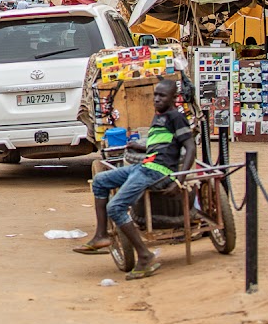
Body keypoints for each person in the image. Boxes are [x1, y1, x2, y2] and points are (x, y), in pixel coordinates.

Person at [74, 80, 196, 280]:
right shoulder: (159, 118)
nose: (157, 99)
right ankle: (101, 235)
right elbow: (161, 145)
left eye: (162, 96)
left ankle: (145, 256)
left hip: (158, 172)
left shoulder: (176, 117)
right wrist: (141, 147)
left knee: (115, 208)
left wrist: (179, 179)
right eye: (155, 95)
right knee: (100, 181)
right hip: (145, 166)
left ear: (174, 98)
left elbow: (190, 147)